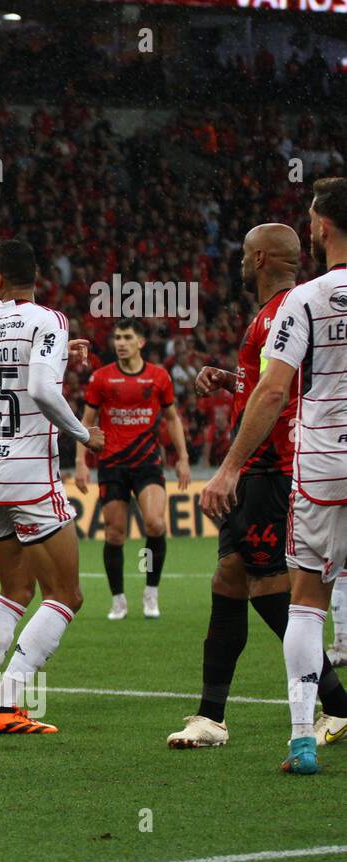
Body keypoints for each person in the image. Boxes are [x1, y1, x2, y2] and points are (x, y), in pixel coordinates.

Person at [169, 223, 347, 749]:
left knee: (270, 584)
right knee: (230, 578)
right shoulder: (281, 311)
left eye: (244, 255)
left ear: (262, 257)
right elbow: (277, 383)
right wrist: (232, 379)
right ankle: (211, 717)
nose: (238, 264)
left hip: (275, 467)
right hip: (269, 468)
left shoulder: (284, 310)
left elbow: (278, 395)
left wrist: (229, 468)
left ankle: (336, 704)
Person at [0, 240, 104, 734]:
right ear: (34, 275)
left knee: (14, 589)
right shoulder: (50, 321)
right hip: (31, 475)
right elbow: (39, 388)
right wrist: (83, 432)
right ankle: (8, 699)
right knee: (66, 595)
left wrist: (58, 355)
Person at [74, 318, 191, 620]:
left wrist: (183, 457)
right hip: (112, 463)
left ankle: (150, 591)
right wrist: (80, 462)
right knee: (115, 533)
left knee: (155, 524)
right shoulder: (101, 378)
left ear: (140, 342)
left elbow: (172, 419)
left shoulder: (158, 377)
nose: (120, 343)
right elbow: (86, 422)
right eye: (117, 338)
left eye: (127, 337)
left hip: (147, 462)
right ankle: (118, 600)